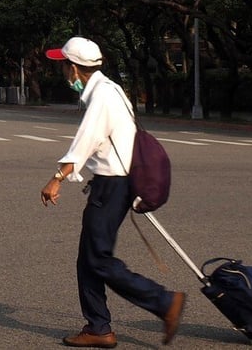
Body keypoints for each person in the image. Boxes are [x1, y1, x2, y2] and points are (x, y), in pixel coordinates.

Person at [40, 36, 185, 348]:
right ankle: (98, 327)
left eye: (64, 66)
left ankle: (163, 302)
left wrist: (57, 178)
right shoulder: (109, 89)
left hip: (112, 186)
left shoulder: (103, 97)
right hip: (115, 183)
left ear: (74, 69)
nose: (63, 73)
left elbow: (87, 140)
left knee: (98, 259)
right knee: (88, 259)